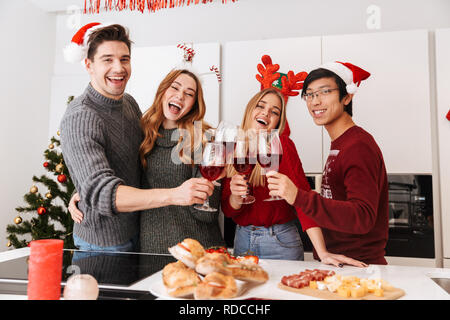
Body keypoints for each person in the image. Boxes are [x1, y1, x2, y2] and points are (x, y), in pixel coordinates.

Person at [61, 23, 215, 252]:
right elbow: (103, 192)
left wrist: (82, 189)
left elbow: (134, 161)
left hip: (138, 234)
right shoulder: (81, 116)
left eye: (124, 59)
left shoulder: (129, 104)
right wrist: (175, 195)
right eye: (107, 59)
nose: (118, 68)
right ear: (88, 64)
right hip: (103, 243)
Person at [221, 87, 367, 267]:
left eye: (274, 112)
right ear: (250, 109)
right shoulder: (233, 148)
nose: (266, 113)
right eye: (261, 106)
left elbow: (302, 196)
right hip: (242, 240)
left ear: (277, 122)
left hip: (279, 242)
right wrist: (236, 197)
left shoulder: (281, 145)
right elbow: (228, 211)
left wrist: (322, 252)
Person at [266, 62, 389, 265]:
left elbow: (362, 216)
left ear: (347, 96)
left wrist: (298, 196)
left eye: (325, 92)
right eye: (310, 94)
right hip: (342, 262)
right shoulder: (342, 142)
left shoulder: (358, 146)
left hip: (358, 267)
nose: (315, 101)